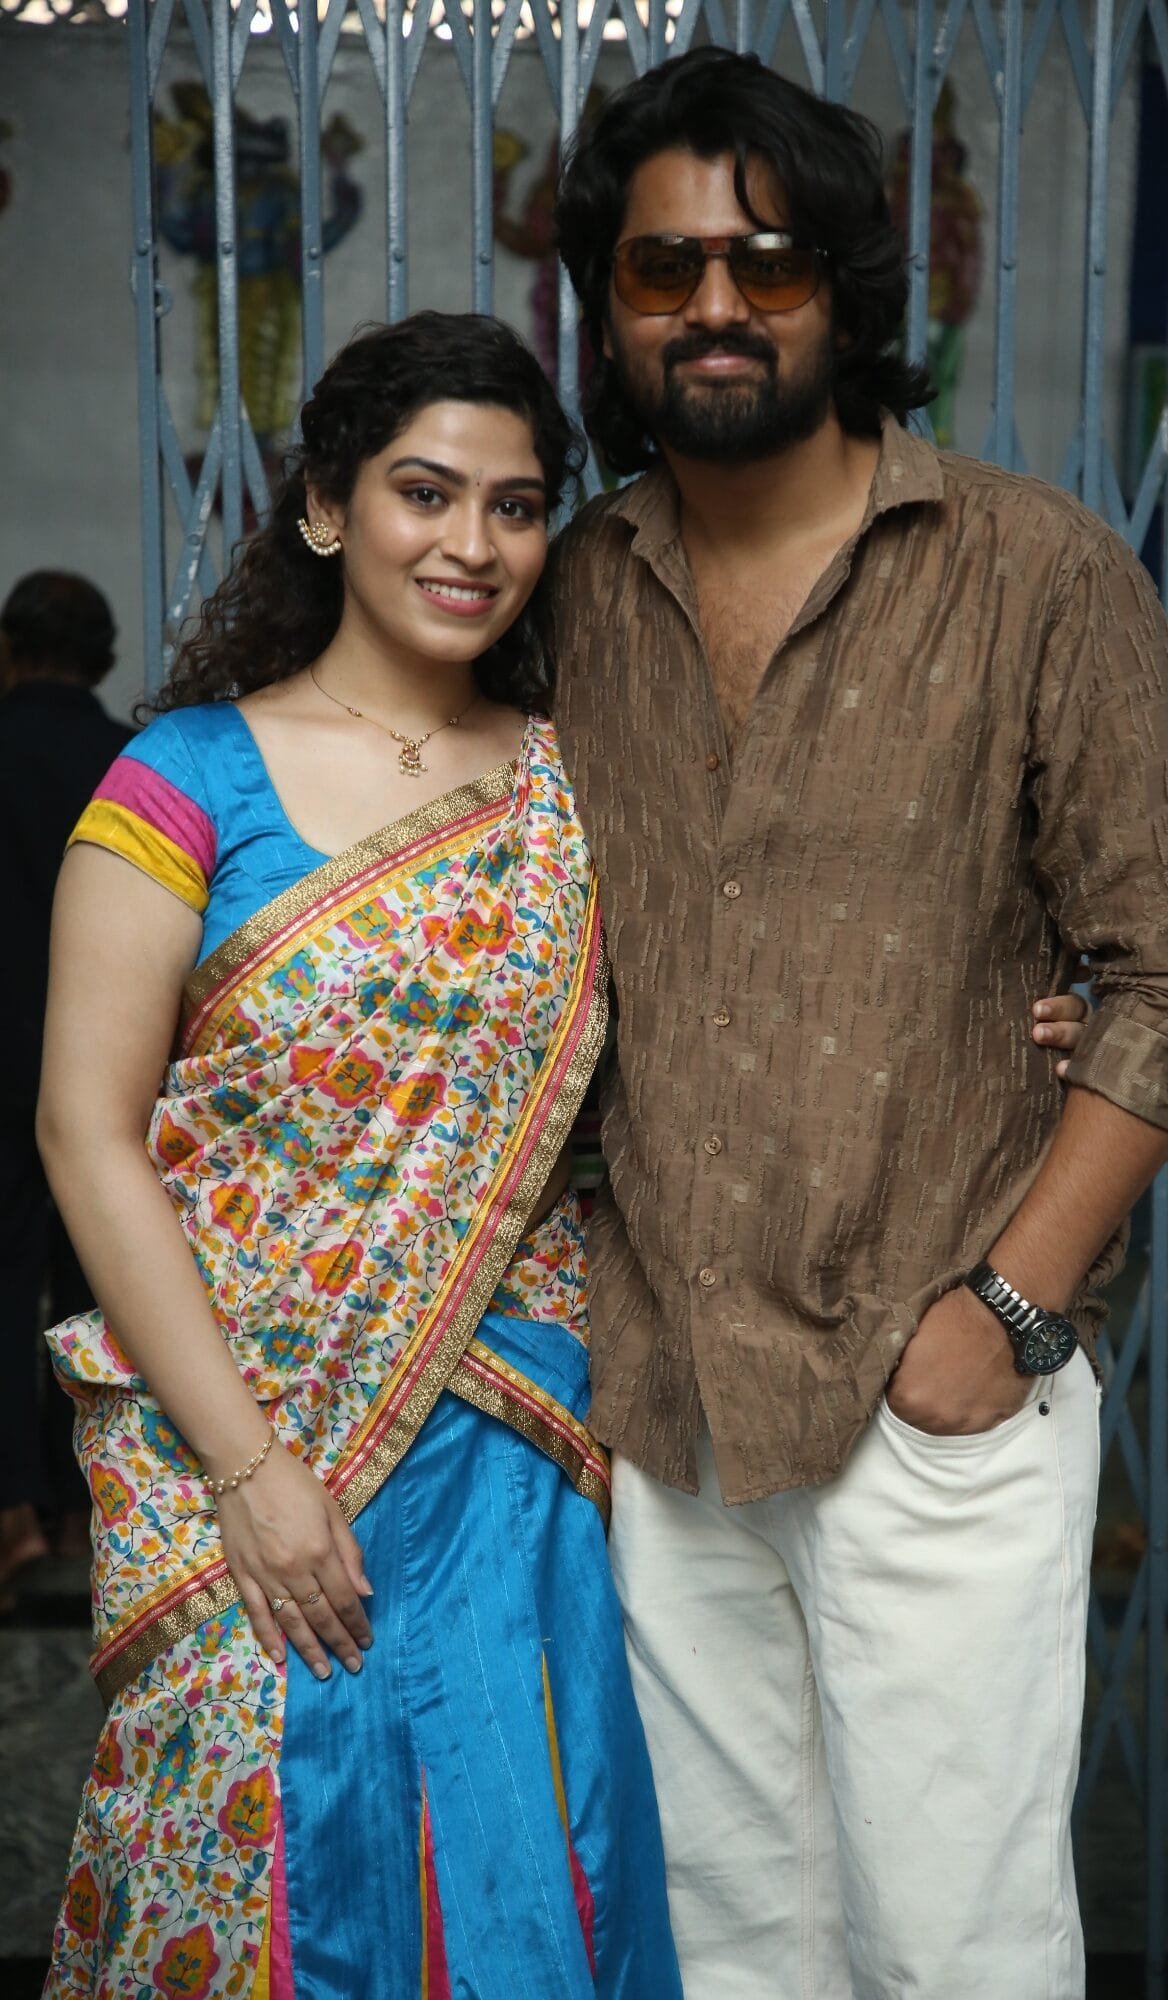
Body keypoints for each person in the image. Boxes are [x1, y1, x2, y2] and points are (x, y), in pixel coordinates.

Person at [550, 47, 1168, 2000]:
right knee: (731, 1946)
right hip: (665, 1407)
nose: (713, 303)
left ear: (847, 291)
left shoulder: (1034, 572)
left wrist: (1005, 1316)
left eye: (766, 262)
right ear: (608, 304)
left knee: (956, 1952)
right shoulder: (573, 593)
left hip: (928, 1387)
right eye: (663, 265)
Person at [37, 313, 681, 1998]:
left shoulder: (584, 787)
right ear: (327, 506)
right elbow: (85, 1133)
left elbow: (722, 1033)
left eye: (517, 506)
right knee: (248, 1870)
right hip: (236, 1425)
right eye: (424, 492)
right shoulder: (183, 780)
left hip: (509, 1441)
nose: (473, 544)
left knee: (517, 1870)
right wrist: (250, 1471)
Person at [0, 572, 132, 1609]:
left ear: (9, 650)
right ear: (105, 658)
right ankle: (95, 1506)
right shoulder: (131, 764)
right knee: (103, 1283)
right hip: (110, 1065)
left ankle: (13, 1518)